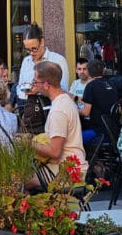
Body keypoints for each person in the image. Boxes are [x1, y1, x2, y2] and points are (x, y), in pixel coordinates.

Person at [28, 60, 87, 189]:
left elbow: (55, 152)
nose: (34, 85)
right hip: (68, 165)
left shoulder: (58, 110)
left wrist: (29, 143)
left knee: (19, 180)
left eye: (35, 82)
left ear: (46, 85)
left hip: (67, 171)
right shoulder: (65, 100)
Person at [15, 23, 69, 106]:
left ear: (42, 42)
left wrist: (40, 90)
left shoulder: (58, 60)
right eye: (28, 50)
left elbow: (63, 90)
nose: (31, 53)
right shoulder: (26, 61)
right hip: (30, 109)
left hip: (52, 108)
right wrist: (26, 92)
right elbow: (19, 87)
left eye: (34, 48)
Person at [78, 59, 119, 134]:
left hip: (99, 132)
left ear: (88, 72)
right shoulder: (111, 84)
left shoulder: (90, 86)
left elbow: (86, 112)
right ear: (103, 71)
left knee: (75, 139)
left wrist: (74, 109)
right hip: (113, 131)